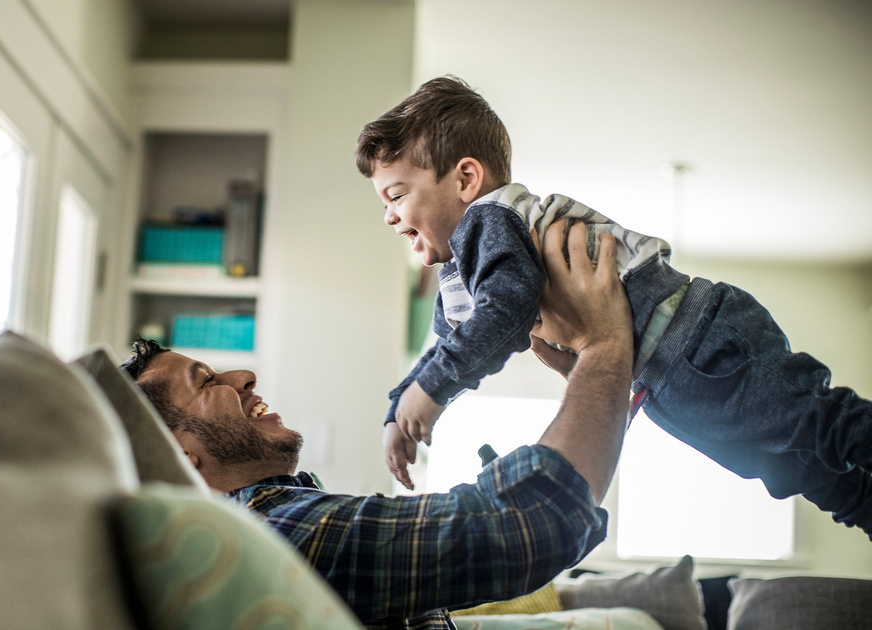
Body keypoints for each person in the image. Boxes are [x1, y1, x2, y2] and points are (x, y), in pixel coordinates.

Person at [356, 75, 872, 535]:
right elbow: (451, 343)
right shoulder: (460, 268)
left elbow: (504, 315)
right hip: (664, 378)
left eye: (397, 196)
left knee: (822, 424)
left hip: (699, 341)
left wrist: (432, 389)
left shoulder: (490, 222)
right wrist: (400, 406)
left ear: (466, 180)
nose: (388, 216)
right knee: (792, 468)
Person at [123, 222, 635, 629]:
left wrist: (600, 381)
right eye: (207, 380)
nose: (244, 376)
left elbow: (529, 534)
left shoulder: (282, 520)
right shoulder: (280, 530)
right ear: (180, 458)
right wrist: (606, 346)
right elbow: (532, 525)